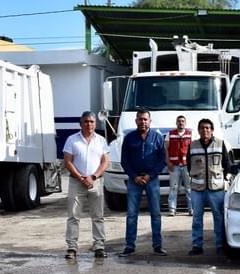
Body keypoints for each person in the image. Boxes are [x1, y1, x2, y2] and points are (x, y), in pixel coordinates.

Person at [61, 111, 110, 260]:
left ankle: (99, 246)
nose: (89, 124)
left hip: (96, 181)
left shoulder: (101, 140)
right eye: (86, 122)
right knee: (74, 216)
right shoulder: (72, 140)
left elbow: (105, 162)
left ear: (96, 123)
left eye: (92, 122)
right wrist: (81, 177)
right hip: (77, 182)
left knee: (98, 216)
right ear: (80, 124)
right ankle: (71, 247)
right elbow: (68, 161)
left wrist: (93, 176)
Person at [120, 109, 168, 256]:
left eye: (145, 119)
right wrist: (134, 176)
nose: (143, 122)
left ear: (150, 121)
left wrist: (150, 175)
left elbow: (162, 160)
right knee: (132, 214)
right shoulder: (129, 138)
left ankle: (157, 246)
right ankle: (130, 246)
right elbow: (124, 160)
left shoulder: (157, 137)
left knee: (156, 213)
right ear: (136, 121)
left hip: (151, 180)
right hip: (134, 180)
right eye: (140, 119)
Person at [186, 118, 232, 256]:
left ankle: (220, 245)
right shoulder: (192, 146)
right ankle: (197, 245)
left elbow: (227, 164)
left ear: (212, 130)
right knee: (196, 218)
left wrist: (224, 179)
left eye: (207, 128)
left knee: (218, 218)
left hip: (216, 189)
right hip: (197, 189)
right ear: (198, 130)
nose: (205, 130)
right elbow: (189, 165)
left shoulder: (220, 144)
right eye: (202, 128)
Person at [165, 115, 192, 217]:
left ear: (185, 123)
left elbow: (192, 150)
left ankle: (191, 209)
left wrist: (192, 165)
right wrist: (168, 162)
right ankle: (172, 209)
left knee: (189, 188)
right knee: (173, 188)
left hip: (186, 166)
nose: (181, 123)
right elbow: (165, 149)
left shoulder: (190, 134)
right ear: (176, 123)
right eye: (179, 121)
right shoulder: (170, 134)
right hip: (174, 166)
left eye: (183, 121)